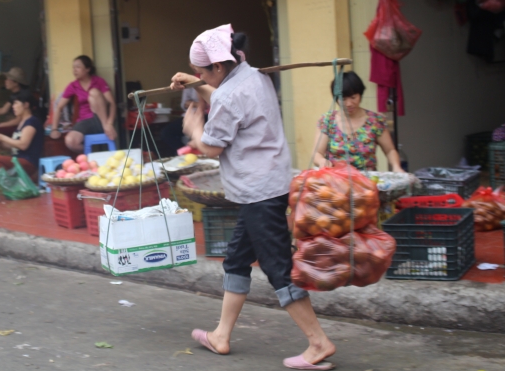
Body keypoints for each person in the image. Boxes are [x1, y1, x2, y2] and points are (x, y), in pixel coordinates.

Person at [171, 24, 336, 370]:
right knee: (236, 260)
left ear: (218, 66)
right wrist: (197, 81)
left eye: (203, 71)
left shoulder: (230, 95)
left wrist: (194, 128)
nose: (201, 76)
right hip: (264, 186)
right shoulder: (254, 75)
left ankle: (318, 342)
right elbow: (228, 95)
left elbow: (213, 146)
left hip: (260, 191)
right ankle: (221, 335)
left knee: (278, 268)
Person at [313, 71, 404, 172]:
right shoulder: (327, 121)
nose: (349, 104)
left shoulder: (375, 121)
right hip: (336, 180)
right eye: (343, 99)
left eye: (353, 98)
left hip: (367, 181)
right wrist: (322, 161)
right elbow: (317, 153)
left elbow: (390, 150)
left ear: (360, 95)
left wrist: (396, 167)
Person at [49, 56, 117, 153]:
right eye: (73, 67)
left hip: (100, 119)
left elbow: (112, 103)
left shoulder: (99, 81)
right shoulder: (73, 85)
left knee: (93, 93)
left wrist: (109, 123)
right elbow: (59, 107)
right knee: (70, 141)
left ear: (88, 69)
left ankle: (106, 127)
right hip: (85, 122)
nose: (74, 70)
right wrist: (54, 129)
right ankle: (93, 155)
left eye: (78, 67)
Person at [0, 91, 44, 182]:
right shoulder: (22, 122)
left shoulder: (32, 122)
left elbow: (23, 145)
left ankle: (12, 184)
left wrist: (2, 137)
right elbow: (14, 147)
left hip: (28, 162)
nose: (13, 107)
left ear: (26, 105)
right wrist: (1, 144)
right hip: (17, 160)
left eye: (16, 103)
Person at [159, 87, 204, 157]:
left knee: (195, 136)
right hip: (189, 116)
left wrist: (193, 103)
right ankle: (185, 153)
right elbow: (184, 104)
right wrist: (199, 104)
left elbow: (207, 104)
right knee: (166, 133)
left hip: (207, 115)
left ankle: (196, 154)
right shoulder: (190, 85)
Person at [0, 67, 29, 136]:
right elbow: (3, 110)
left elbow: (18, 120)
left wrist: (1, 125)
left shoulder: (23, 96)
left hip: (24, 127)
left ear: (16, 82)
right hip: (16, 124)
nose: (5, 81)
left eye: (8, 79)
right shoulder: (14, 95)